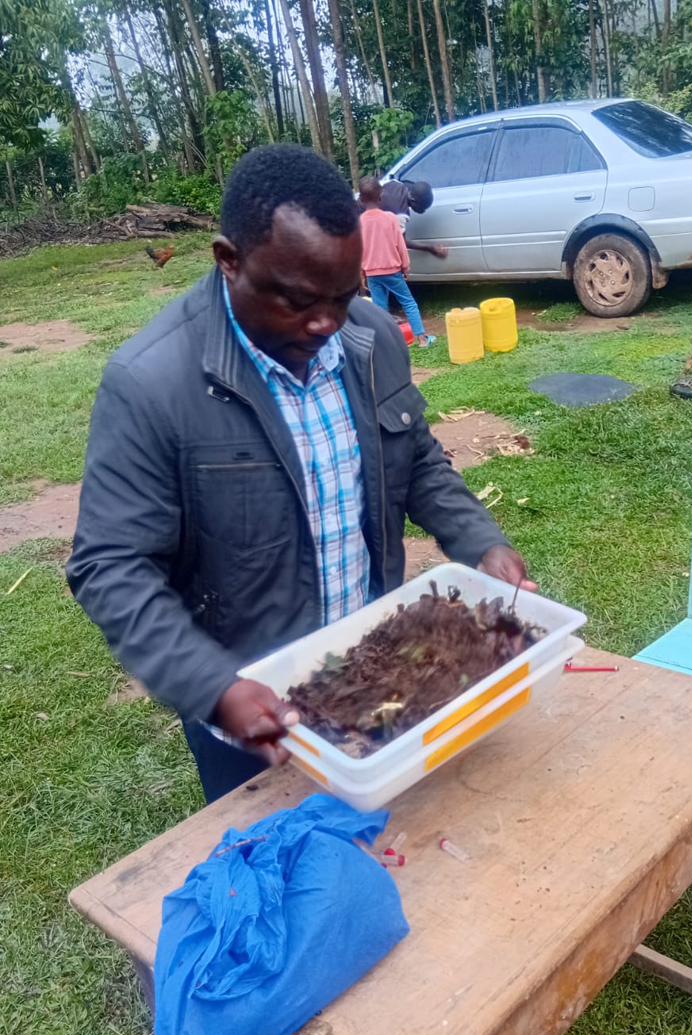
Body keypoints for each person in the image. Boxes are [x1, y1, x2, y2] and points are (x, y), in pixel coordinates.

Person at [68, 145, 534, 804]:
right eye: (298, 301)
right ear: (230, 261)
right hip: (249, 704)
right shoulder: (152, 384)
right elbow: (109, 565)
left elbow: (418, 460)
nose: (325, 323)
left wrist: (481, 543)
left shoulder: (366, 338)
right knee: (290, 873)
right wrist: (216, 689)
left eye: (343, 297)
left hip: (371, 669)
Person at [358, 176, 436, 348]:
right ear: (380, 197)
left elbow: (360, 249)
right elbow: (400, 245)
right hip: (392, 271)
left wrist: (362, 272)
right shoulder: (391, 218)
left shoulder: (360, 222)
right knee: (408, 302)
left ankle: (384, 344)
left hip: (372, 272)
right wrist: (405, 266)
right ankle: (422, 340)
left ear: (361, 200)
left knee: (379, 309)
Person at [359, 177, 449, 259]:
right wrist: (430, 248)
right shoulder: (400, 213)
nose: (421, 212)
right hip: (359, 226)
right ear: (413, 201)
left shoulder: (395, 183)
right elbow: (402, 242)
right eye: (421, 208)